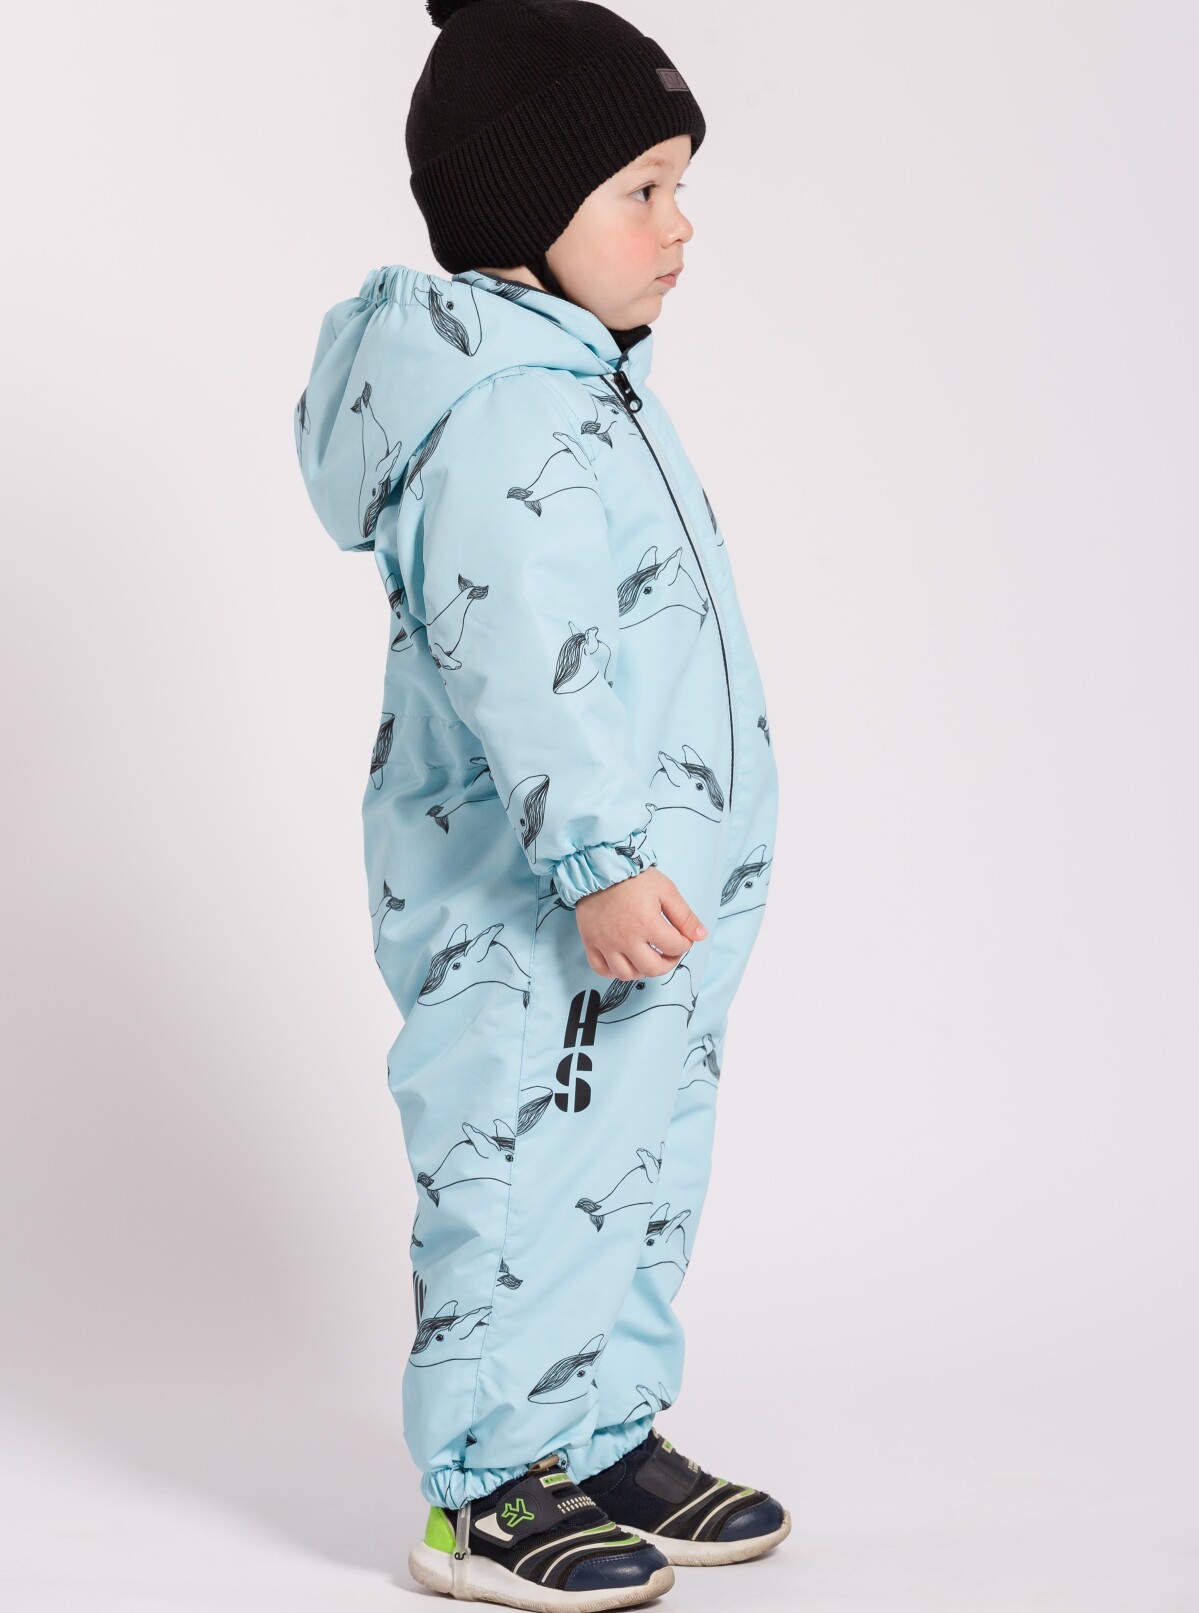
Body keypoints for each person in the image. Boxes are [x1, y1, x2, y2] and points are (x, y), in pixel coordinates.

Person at [294, 1, 784, 1605]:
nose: (680, 225)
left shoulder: (585, 382)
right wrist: (594, 854)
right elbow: (523, 657)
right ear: (521, 208)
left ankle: (600, 1427)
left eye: (679, 185)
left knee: (635, 1158)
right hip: (535, 905)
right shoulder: (503, 408)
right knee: (516, 1162)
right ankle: (485, 1485)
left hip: (643, 890)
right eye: (642, 189)